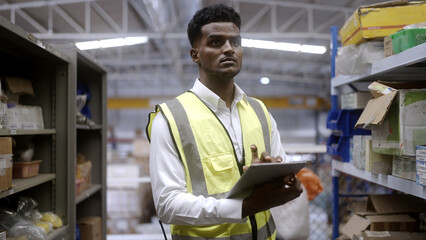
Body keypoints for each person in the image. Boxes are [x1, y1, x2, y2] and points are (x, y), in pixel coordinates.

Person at [146, 4, 303, 239]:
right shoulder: (170, 119)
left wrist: (286, 183)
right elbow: (167, 205)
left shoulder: (259, 111)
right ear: (195, 54)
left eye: (235, 42)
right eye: (216, 42)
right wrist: (244, 206)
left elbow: (281, 169)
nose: (229, 49)